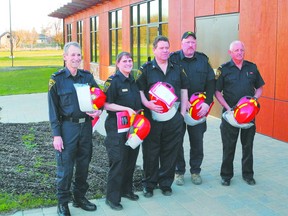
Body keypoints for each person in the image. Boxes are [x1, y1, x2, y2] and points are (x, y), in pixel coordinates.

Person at [48, 41, 102, 216]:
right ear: (65, 57)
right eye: (72, 55)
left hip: (85, 127)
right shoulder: (57, 80)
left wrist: (98, 110)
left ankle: (79, 198)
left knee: (83, 166)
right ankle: (62, 203)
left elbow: (100, 96)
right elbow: (53, 110)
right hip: (67, 128)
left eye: (78, 55)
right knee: (65, 169)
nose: (76, 58)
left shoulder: (87, 77)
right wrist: (56, 135)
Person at [136, 35, 189, 197]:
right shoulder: (145, 69)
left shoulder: (177, 68)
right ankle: (149, 184)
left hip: (173, 118)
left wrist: (182, 114)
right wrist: (147, 104)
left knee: (170, 151)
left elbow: (184, 90)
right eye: (162, 48)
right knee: (151, 152)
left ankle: (165, 183)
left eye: (167, 47)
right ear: (154, 50)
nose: (165, 51)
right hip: (153, 118)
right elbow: (139, 90)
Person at [215, 40, 265, 186]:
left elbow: (260, 87)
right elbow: (217, 92)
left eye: (242, 50)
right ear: (230, 53)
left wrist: (254, 100)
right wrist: (228, 108)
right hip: (230, 115)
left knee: (247, 146)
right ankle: (226, 176)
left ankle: (248, 174)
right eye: (236, 50)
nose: (239, 52)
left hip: (249, 115)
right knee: (228, 146)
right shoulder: (223, 69)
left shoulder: (252, 67)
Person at [170, 31, 215, 186]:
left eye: (193, 42)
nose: (191, 45)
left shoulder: (203, 60)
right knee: (177, 141)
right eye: (187, 42)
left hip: (198, 109)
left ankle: (195, 171)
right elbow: (168, 81)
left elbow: (211, 82)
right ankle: (179, 172)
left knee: (197, 141)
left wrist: (207, 102)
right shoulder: (173, 58)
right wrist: (181, 99)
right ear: (181, 43)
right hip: (179, 109)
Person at [103, 52, 142, 211]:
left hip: (133, 127)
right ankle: (112, 198)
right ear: (118, 64)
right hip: (116, 127)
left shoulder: (134, 81)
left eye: (130, 60)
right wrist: (126, 108)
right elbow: (106, 104)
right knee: (118, 161)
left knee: (131, 160)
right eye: (124, 61)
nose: (128, 63)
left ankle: (127, 190)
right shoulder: (113, 81)